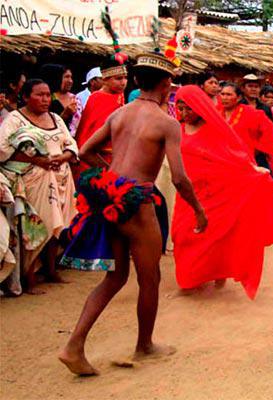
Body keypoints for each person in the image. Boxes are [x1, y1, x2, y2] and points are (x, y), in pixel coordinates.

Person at [58, 52, 208, 376]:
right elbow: (180, 178)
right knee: (149, 278)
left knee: (115, 277)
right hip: (137, 205)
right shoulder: (167, 123)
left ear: (137, 82)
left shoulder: (120, 113)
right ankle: (145, 345)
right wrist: (198, 210)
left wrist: (112, 178)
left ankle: (73, 345)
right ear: (167, 84)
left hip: (112, 201)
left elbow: (84, 151)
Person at [172, 85, 273, 297]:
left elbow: (233, 154)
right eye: (180, 109)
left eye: (188, 109)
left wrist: (253, 170)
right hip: (187, 194)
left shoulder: (213, 128)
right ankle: (189, 280)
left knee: (214, 236)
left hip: (214, 193)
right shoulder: (176, 129)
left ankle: (215, 276)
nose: (183, 114)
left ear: (199, 107)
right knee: (182, 236)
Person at [0, 79, 78, 294]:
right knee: (37, 225)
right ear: (25, 97)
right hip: (33, 181)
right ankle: (29, 276)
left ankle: (51, 270)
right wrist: (37, 161)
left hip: (60, 177)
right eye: (39, 95)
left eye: (47, 95)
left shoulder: (55, 118)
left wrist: (61, 158)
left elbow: (71, 143)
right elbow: (3, 150)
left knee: (57, 224)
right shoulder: (15, 119)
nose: (45, 99)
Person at [73, 60, 128, 178]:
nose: (123, 82)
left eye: (125, 78)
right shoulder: (97, 98)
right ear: (105, 79)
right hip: (98, 159)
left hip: (117, 158)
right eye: (118, 78)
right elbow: (88, 133)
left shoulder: (119, 95)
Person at [219, 83, 273, 169]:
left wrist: (258, 149)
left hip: (248, 159)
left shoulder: (252, 113)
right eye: (222, 94)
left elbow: (268, 128)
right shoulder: (215, 112)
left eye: (229, 95)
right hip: (222, 159)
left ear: (238, 97)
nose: (225, 97)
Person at [70, 67, 104, 134]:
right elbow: (76, 122)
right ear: (92, 81)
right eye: (101, 79)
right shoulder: (80, 97)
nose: (105, 81)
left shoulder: (105, 96)